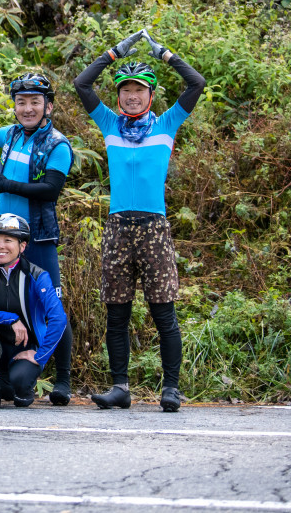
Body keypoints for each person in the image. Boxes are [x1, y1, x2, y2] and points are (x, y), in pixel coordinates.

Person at [73, 29, 205, 412]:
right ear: (118, 96)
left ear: (151, 95)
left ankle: (172, 389)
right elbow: (82, 83)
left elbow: (196, 82)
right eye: (125, 90)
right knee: (117, 312)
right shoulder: (110, 125)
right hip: (117, 229)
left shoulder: (167, 124)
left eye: (139, 90)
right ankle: (120, 388)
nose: (132, 96)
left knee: (163, 311)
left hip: (153, 228)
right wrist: (116, 51)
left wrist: (163, 54)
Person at [0, 68, 76, 405]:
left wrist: (6, 185)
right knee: (2, 304)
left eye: (35, 102)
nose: (27, 108)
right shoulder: (11, 134)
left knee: (53, 307)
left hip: (37, 238)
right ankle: (4, 374)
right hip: (5, 238)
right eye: (21, 102)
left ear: (48, 107)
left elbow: (50, 190)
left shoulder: (57, 144)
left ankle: (63, 380)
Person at [0, 214, 68, 409]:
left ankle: (9, 385)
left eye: (8, 240)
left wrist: (40, 356)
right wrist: (10, 318)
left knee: (20, 391)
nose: (0, 246)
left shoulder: (37, 275)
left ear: (22, 247)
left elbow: (58, 318)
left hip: (26, 350)